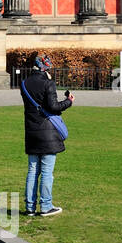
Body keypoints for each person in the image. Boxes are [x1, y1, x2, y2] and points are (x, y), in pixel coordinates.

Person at [21, 52, 73, 217]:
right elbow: (53, 107)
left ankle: (30, 207)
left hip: (31, 131)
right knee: (47, 171)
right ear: (46, 67)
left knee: (32, 170)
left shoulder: (24, 83)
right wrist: (69, 101)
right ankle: (45, 206)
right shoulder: (48, 83)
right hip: (47, 132)